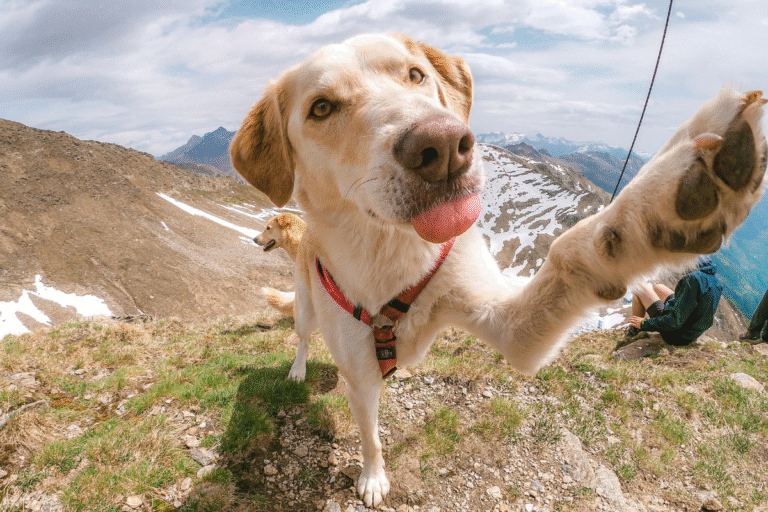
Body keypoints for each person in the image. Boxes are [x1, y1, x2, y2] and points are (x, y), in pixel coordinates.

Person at [626, 255, 723, 346]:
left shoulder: (693, 279)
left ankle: (634, 330)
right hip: (691, 333)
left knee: (639, 287)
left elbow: (675, 321)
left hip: (675, 335)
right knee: (659, 288)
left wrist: (645, 324)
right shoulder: (715, 282)